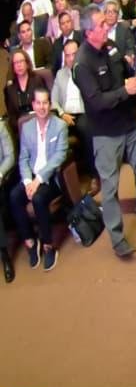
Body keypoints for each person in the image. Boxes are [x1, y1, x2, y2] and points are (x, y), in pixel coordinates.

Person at [74, 8, 136, 257]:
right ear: (89, 32)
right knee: (110, 188)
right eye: (101, 24)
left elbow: (125, 73)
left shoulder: (111, 46)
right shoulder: (82, 64)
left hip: (130, 123)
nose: (107, 27)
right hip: (105, 133)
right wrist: (125, 91)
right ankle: (117, 238)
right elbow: (96, 102)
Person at [9, 91, 64, 273]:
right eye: (38, 103)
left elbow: (59, 157)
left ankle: (48, 245)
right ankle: (31, 241)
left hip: (50, 179)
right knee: (14, 196)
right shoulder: (27, 128)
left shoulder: (60, 126)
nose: (42, 107)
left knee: (39, 199)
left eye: (45, 103)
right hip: (30, 176)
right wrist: (27, 181)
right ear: (33, 105)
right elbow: (23, 158)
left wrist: (38, 180)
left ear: (50, 104)